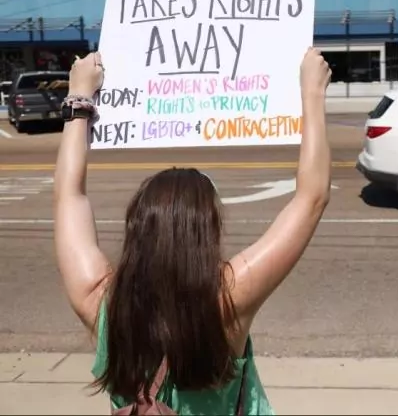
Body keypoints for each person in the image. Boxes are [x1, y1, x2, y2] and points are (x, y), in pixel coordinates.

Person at [53, 49, 332, 414]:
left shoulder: (99, 301)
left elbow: (68, 196)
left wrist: (79, 98)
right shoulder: (228, 299)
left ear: (137, 228)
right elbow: (312, 198)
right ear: (207, 232)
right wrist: (312, 92)